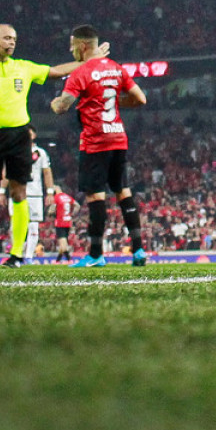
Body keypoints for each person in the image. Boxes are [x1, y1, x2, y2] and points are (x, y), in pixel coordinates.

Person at [0, 23, 91, 268]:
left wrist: (88, 62)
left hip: (19, 136)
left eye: (14, 39)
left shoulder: (23, 68)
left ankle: (17, 255)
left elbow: (56, 71)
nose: (11, 42)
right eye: (7, 38)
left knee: (19, 193)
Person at [50, 24, 148, 268]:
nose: (71, 50)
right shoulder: (116, 68)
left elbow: (63, 106)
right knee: (123, 192)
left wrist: (54, 104)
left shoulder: (81, 73)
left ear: (83, 46)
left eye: (73, 46)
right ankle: (138, 251)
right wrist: (114, 101)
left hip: (96, 140)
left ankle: (95, 254)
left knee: (96, 195)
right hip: (118, 137)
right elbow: (140, 98)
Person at [21, 138, 57, 262]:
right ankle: (16, 254)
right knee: (17, 225)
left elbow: (47, 172)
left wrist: (50, 192)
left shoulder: (40, 152)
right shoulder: (16, 149)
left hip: (35, 194)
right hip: (18, 193)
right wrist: (2, 190)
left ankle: (29, 256)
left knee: (33, 226)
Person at [51, 188, 76, 263]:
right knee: (63, 242)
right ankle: (57, 261)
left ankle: (69, 259)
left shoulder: (56, 197)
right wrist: (72, 214)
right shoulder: (68, 197)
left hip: (60, 222)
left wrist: (50, 212)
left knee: (63, 244)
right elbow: (77, 205)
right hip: (68, 221)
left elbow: (52, 209)